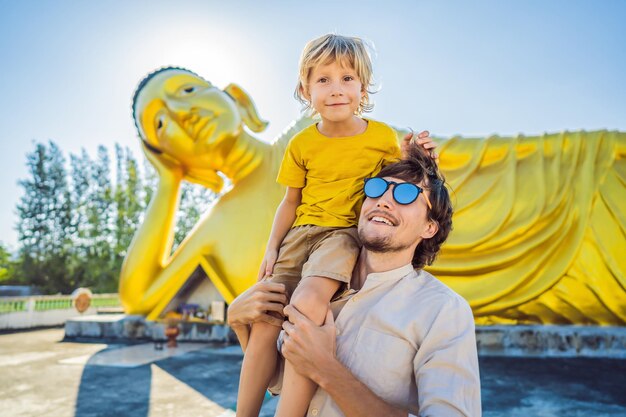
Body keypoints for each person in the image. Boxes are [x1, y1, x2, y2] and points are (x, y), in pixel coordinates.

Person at [236, 33, 437, 417]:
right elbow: (289, 202)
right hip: (300, 235)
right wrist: (271, 247)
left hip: (343, 235)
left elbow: (407, 182)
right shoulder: (301, 144)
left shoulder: (381, 137)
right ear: (305, 89)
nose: (336, 89)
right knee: (264, 320)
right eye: (323, 80)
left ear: (363, 87)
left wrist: (423, 157)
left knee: (307, 305)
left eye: (347, 79)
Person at [228, 145, 481, 416]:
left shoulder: (443, 310)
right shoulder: (313, 287)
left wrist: (326, 369)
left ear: (429, 227)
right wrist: (239, 324)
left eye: (406, 194)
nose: (383, 200)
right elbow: (280, 383)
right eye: (376, 188)